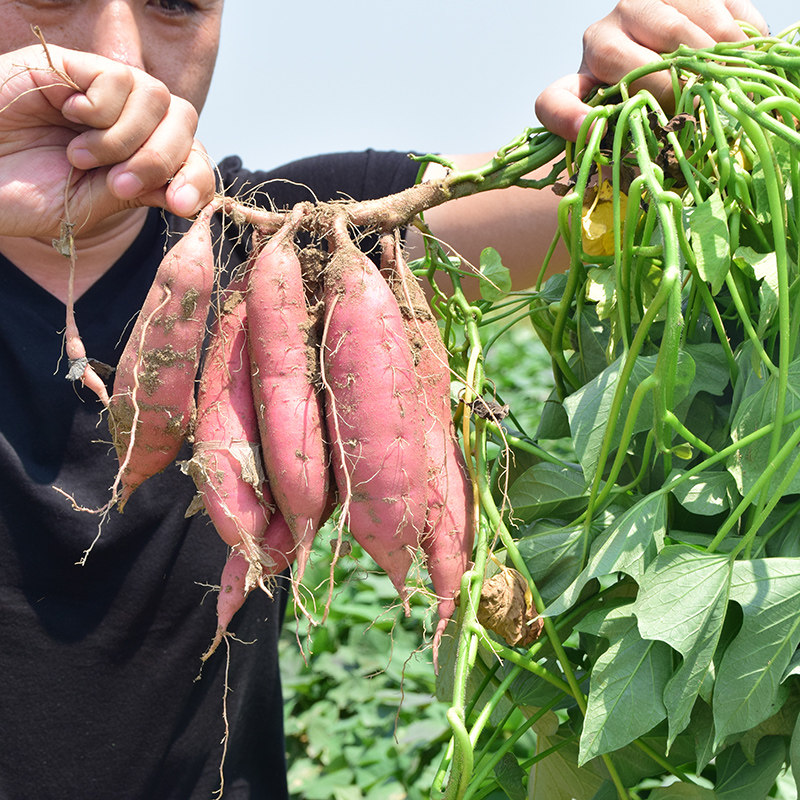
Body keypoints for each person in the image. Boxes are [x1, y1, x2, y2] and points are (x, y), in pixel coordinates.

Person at [0, 2, 768, 798]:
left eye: (176, 3)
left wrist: (648, 105)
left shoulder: (304, 231)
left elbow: (614, 200)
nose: (123, 54)